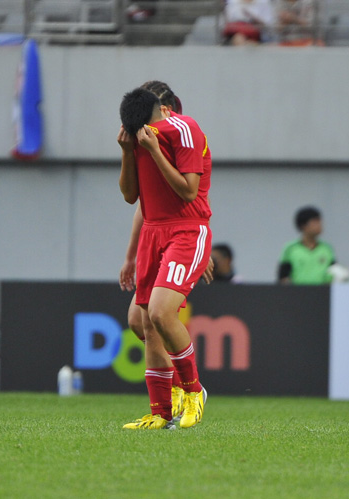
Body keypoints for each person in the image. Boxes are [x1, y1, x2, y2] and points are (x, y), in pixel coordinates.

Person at [118, 87, 212, 430]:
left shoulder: (183, 130)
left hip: (186, 231)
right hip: (153, 235)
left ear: (163, 109)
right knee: (142, 322)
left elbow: (189, 192)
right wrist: (128, 152)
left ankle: (193, 391)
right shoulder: (140, 137)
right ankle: (161, 413)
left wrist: (155, 151)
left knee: (160, 312)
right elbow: (132, 198)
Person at [278, 206, 338, 285]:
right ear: (303, 225)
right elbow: (283, 277)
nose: (319, 225)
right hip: (298, 294)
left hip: (322, 294)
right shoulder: (291, 249)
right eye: (315, 222)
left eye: (320, 221)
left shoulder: (327, 249)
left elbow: (335, 273)